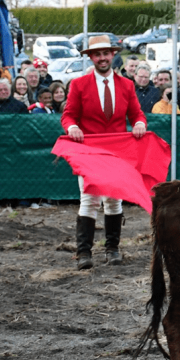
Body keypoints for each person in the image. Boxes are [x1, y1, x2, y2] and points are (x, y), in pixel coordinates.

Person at [61, 35, 148, 269]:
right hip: (89, 152)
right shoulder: (79, 85)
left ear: (112, 55)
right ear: (91, 57)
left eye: (105, 54)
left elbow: (137, 114)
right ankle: (83, 253)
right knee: (89, 200)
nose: (102, 58)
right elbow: (68, 114)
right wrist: (72, 126)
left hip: (117, 152)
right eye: (97, 54)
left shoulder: (127, 85)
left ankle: (112, 249)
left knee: (113, 200)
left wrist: (140, 123)